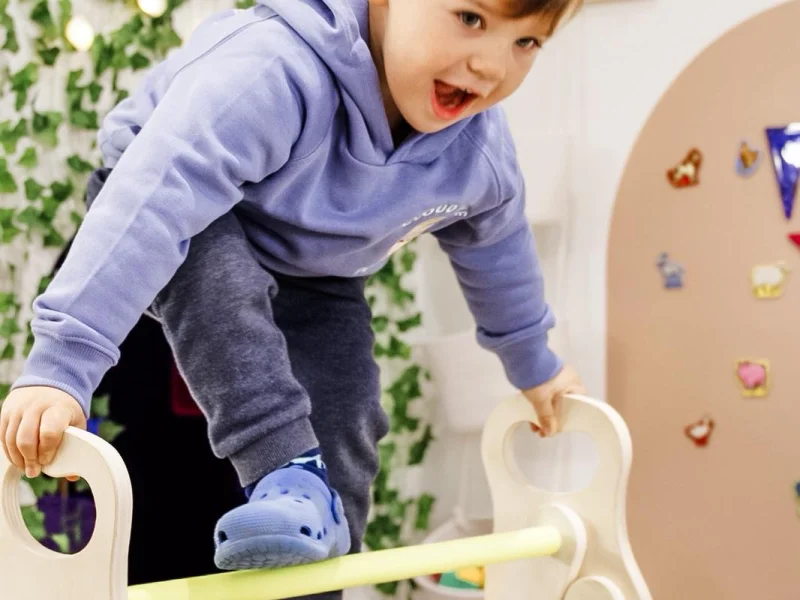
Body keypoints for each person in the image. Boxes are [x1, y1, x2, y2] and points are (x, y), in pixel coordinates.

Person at [0, 0, 586, 585]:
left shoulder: (477, 152)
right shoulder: (273, 68)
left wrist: (536, 366)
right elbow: (157, 197)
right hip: (174, 206)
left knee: (348, 401)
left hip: (314, 267)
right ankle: (284, 471)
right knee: (224, 305)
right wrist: (61, 367)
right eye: (471, 19)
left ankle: (317, 555)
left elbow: (498, 253)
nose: (490, 66)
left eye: (527, 43)